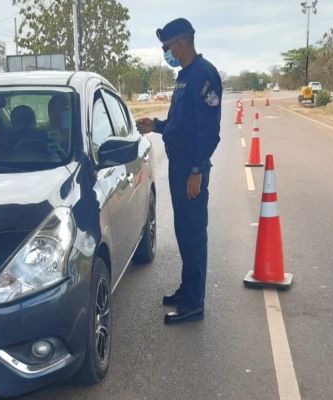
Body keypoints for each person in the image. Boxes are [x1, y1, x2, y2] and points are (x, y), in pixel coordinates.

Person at [136, 18, 222, 325]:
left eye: (167, 47)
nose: (166, 53)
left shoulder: (204, 74)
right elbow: (181, 125)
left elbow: (209, 131)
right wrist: (156, 126)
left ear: (181, 43)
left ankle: (194, 304)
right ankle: (187, 291)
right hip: (179, 164)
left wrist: (197, 170)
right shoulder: (185, 75)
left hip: (191, 167)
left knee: (194, 233)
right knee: (184, 232)